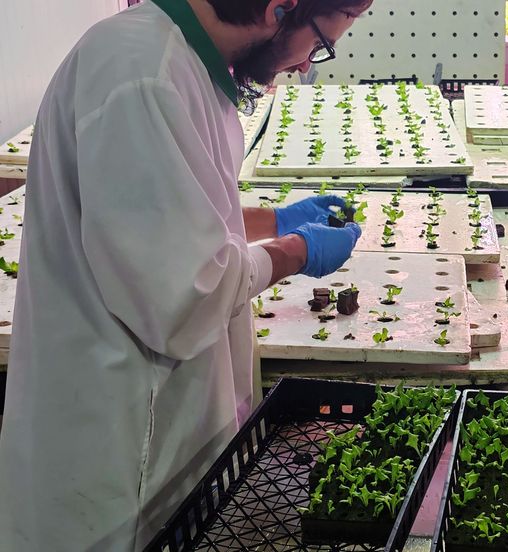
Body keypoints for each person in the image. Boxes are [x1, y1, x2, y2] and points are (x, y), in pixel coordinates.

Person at [0, 0, 371, 549]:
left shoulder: (177, 61)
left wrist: (275, 219)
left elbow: (168, 214)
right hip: (120, 453)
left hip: (148, 421)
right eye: (319, 44)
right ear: (280, 8)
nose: (304, 66)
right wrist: (295, 251)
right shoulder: (142, 77)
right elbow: (186, 294)